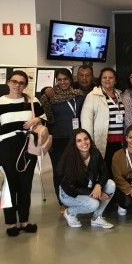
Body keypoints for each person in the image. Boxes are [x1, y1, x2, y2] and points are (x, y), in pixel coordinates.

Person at [0, 70, 46, 237]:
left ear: (25, 85)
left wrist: (38, 119)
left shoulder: (32, 101)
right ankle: (11, 223)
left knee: (25, 186)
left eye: (21, 82)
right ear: (8, 82)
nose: (17, 85)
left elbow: (45, 120)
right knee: (8, 187)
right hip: (5, 149)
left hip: (28, 148)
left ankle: (24, 221)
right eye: (14, 81)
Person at [39, 68, 85, 212]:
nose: (63, 82)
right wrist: (45, 90)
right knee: (59, 171)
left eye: (65, 79)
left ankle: (74, 198)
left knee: (75, 170)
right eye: (59, 79)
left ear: (71, 80)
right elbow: (43, 117)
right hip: (57, 139)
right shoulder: (49, 97)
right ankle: (62, 201)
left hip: (75, 139)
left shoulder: (79, 95)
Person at [57, 129, 115, 229]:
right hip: (68, 194)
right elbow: (72, 188)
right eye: (79, 141)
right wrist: (96, 193)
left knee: (111, 184)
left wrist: (98, 185)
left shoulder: (95, 153)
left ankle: (96, 218)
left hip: (87, 187)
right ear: (74, 144)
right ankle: (70, 212)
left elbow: (105, 172)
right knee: (93, 204)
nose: (84, 142)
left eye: (86, 139)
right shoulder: (70, 159)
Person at [81, 67, 125, 174]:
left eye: (111, 77)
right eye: (104, 77)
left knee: (118, 171)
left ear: (115, 80)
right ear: (100, 80)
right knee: (105, 171)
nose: (107, 80)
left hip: (121, 141)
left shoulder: (121, 95)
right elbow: (86, 121)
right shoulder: (92, 96)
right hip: (104, 142)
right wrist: (89, 142)